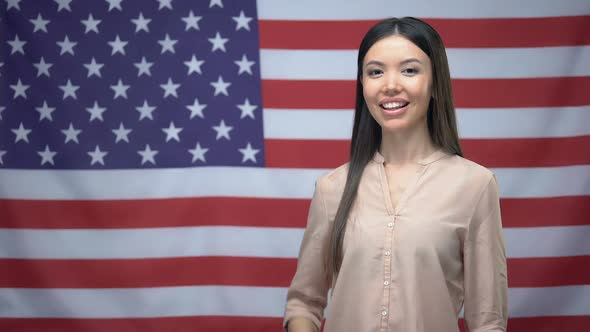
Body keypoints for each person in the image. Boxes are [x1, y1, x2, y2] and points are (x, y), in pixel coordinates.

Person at [283, 17, 508, 332]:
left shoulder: (475, 185)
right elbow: (303, 304)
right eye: (375, 71)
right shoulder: (331, 188)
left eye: (409, 70)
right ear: (363, 85)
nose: (390, 84)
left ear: (435, 84)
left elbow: (488, 321)